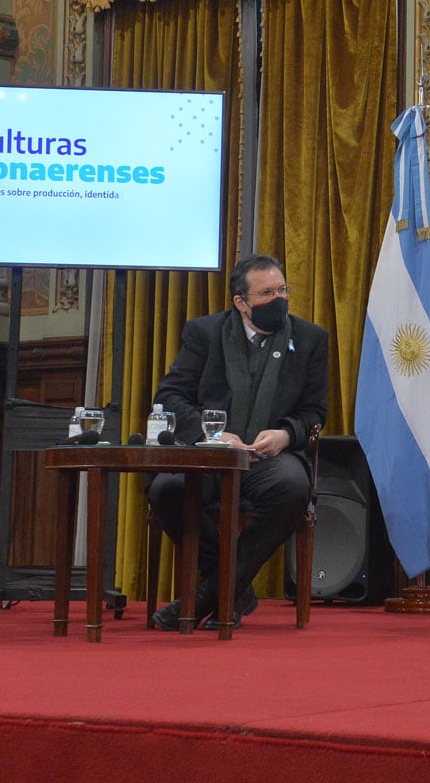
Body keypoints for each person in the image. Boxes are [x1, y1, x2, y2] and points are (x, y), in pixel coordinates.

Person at [146, 253, 328, 631]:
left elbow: (315, 411)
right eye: (266, 294)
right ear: (241, 303)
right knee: (166, 488)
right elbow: (170, 396)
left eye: (282, 290)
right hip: (213, 455)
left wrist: (286, 434)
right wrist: (209, 434)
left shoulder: (310, 339)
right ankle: (234, 590)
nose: (278, 299)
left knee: (294, 488)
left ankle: (208, 595)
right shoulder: (204, 333)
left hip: (268, 457)